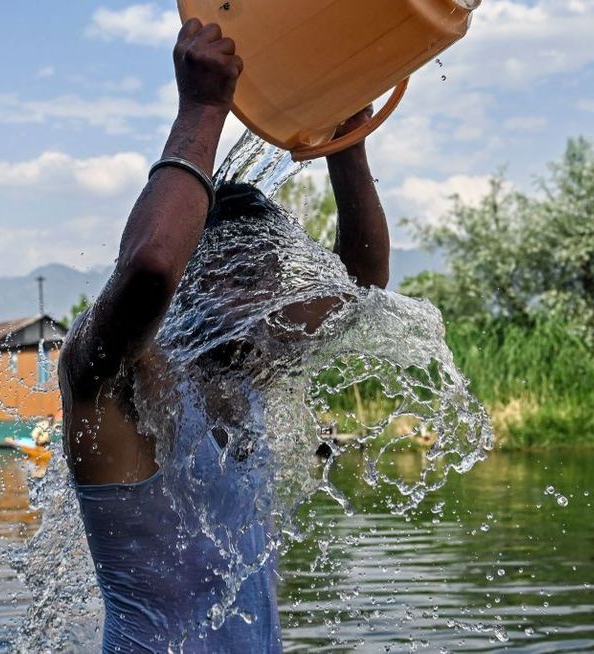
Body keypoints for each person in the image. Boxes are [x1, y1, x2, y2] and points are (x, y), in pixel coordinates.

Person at [59, 18, 390, 653]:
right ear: (193, 276)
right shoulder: (118, 382)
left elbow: (363, 289)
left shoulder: (251, 374)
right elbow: (149, 267)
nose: (266, 297)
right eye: (240, 274)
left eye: (271, 274)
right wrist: (202, 110)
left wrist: (347, 140)